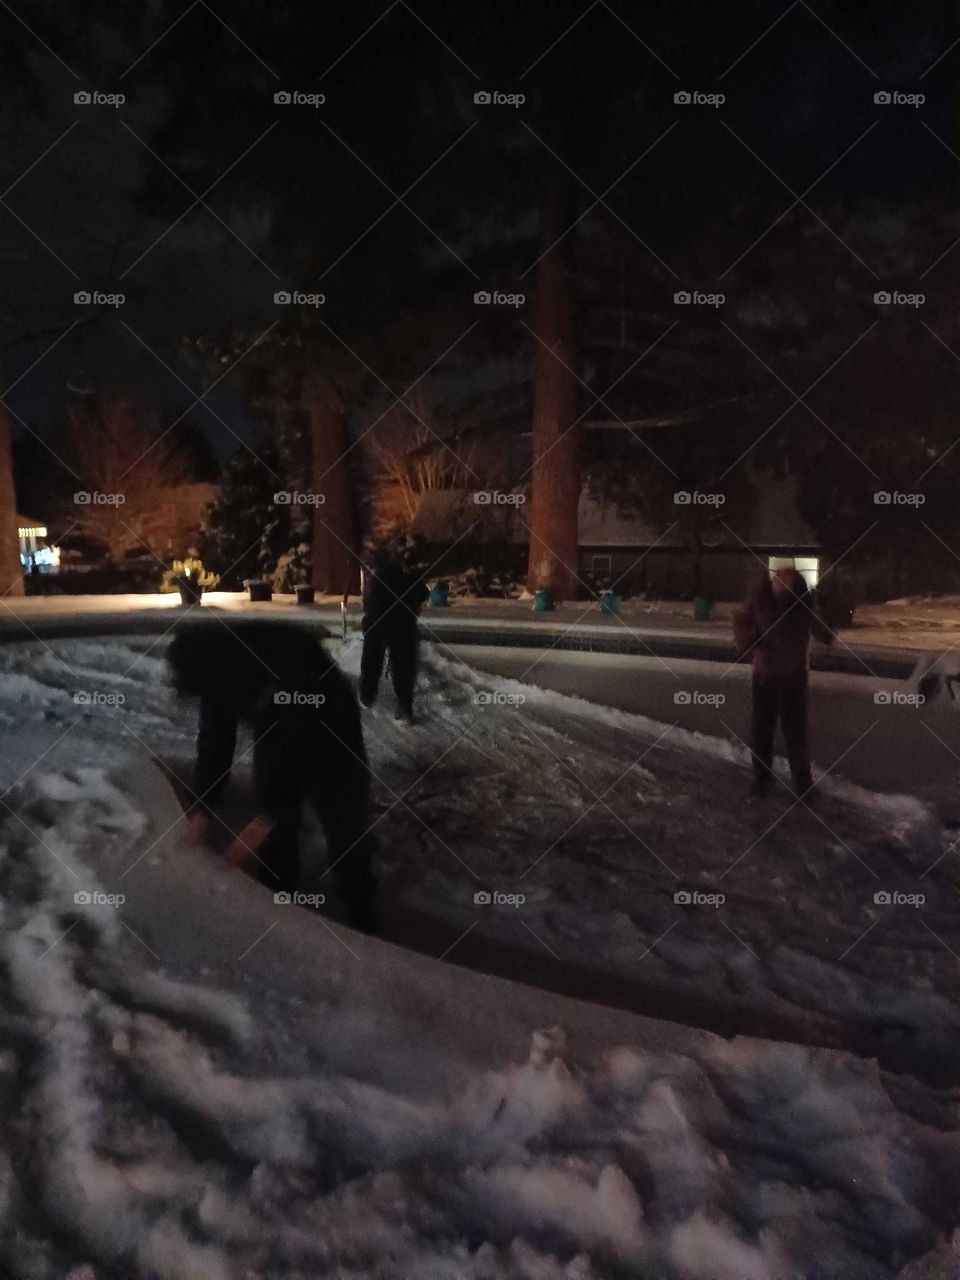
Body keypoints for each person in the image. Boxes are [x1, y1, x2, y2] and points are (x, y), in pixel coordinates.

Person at [167, 618, 380, 933]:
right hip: (275, 724)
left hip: (331, 729)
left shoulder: (289, 656)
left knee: (343, 827)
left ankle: (364, 921)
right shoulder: (216, 673)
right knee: (276, 833)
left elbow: (300, 738)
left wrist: (270, 814)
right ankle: (277, 913)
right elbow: (215, 744)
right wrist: (203, 807)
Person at [733, 567, 833, 801]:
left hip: (794, 675)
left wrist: (826, 631)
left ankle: (802, 784)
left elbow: (820, 627)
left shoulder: (803, 603)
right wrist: (749, 643)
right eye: (778, 580)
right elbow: (740, 620)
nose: (781, 585)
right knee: (762, 731)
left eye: (786, 581)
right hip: (766, 675)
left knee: (796, 733)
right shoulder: (760, 601)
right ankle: (762, 781)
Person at [359, 538, 428, 724]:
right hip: (402, 627)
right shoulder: (411, 578)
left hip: (377, 624)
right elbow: (424, 594)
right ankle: (404, 708)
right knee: (404, 666)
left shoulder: (379, 576)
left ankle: (367, 695)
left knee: (372, 658)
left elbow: (370, 602)